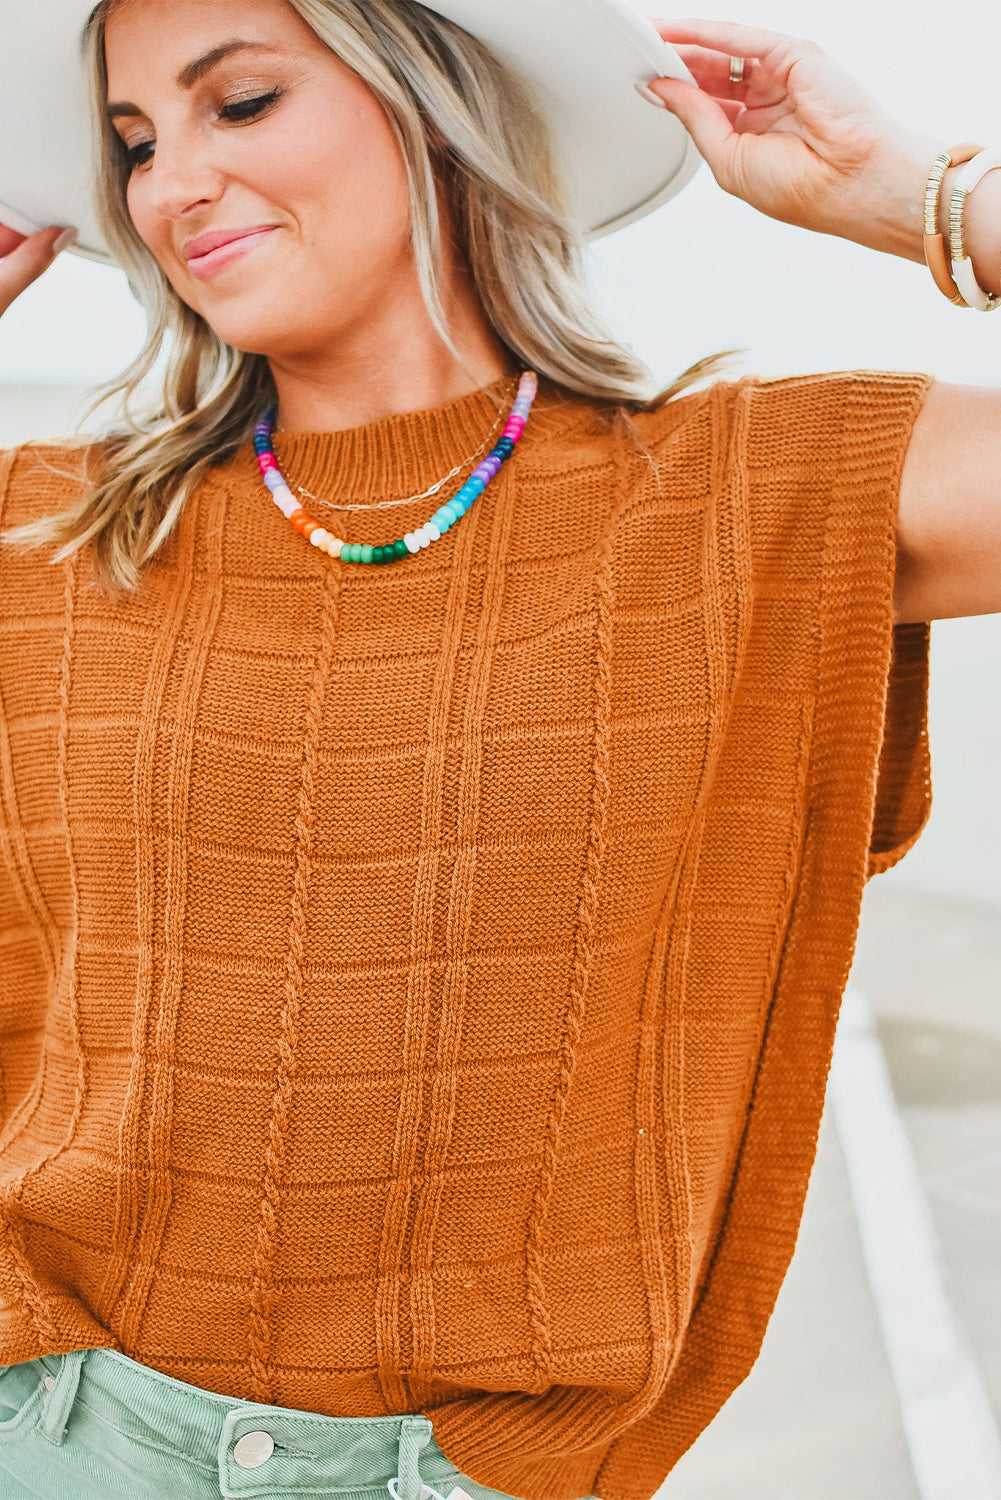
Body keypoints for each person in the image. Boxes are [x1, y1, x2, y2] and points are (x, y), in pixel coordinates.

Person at [0, 2, 997, 1498]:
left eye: (242, 103)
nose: (171, 185)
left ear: (436, 109)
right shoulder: (50, 533)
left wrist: (921, 192)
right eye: (133, 144)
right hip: (50, 1434)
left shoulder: (752, 498)